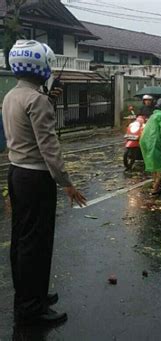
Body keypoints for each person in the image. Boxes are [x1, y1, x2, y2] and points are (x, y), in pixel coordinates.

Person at [2, 40, 87, 326]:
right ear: (41, 67)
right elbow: (49, 147)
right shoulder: (37, 101)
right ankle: (31, 309)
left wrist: (48, 100)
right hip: (36, 178)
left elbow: (28, 127)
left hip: (16, 173)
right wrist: (66, 183)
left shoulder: (13, 96)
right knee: (37, 243)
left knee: (22, 240)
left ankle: (30, 295)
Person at [140, 98, 161, 195]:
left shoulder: (154, 115)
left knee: (154, 164)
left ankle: (155, 183)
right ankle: (156, 188)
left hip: (145, 141)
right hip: (156, 142)